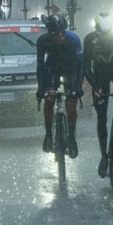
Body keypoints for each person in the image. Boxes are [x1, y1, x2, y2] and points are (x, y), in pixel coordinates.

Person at [36, 13, 84, 159]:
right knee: (49, 99)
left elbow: (81, 66)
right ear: (49, 33)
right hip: (52, 69)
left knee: (71, 103)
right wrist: (42, 88)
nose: (60, 37)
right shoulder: (42, 40)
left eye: (63, 33)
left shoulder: (74, 39)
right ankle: (49, 134)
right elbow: (40, 66)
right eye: (56, 34)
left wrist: (77, 88)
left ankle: (71, 137)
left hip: (71, 69)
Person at [83, 12, 113, 178]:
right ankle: (103, 156)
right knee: (101, 118)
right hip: (99, 78)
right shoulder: (90, 40)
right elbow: (86, 67)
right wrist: (95, 86)